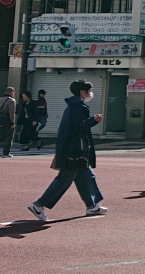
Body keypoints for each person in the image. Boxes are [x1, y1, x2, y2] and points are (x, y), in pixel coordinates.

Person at [27, 80, 107, 221]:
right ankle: (39, 204)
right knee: (65, 178)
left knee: (86, 176)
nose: (90, 94)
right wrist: (93, 120)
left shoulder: (73, 105)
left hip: (70, 147)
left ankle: (92, 205)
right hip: (75, 148)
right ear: (82, 92)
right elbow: (79, 126)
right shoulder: (79, 106)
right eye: (89, 91)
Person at [0, 87, 17, 158]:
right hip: (7, 121)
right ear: (11, 92)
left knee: (2, 136)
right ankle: (6, 153)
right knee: (9, 137)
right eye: (13, 92)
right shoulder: (11, 101)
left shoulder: (0, 99)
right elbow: (12, 112)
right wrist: (12, 122)